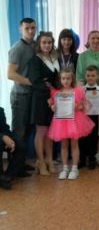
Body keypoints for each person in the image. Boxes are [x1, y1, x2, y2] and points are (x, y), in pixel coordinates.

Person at [48, 67, 94, 180]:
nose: (66, 81)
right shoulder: (56, 92)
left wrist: (78, 107)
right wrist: (53, 107)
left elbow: (85, 105)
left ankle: (74, 168)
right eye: (63, 78)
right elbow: (53, 105)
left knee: (74, 144)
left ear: (72, 78)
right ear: (60, 79)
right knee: (63, 145)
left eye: (68, 78)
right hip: (61, 122)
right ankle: (64, 168)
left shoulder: (77, 91)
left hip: (75, 121)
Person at [28, 32, 60, 176]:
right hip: (40, 99)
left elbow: (55, 80)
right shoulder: (35, 59)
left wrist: (52, 87)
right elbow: (35, 81)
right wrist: (47, 87)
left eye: (49, 42)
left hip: (53, 99)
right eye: (44, 42)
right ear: (39, 44)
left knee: (49, 132)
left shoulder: (54, 58)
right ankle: (40, 162)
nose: (47, 45)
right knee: (41, 131)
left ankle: (49, 160)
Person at [7, 17, 37, 151]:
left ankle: (22, 160)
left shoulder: (36, 45)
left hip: (32, 95)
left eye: (33, 28)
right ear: (20, 30)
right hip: (20, 96)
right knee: (19, 131)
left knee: (29, 129)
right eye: (27, 28)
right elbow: (10, 74)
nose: (30, 31)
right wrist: (31, 82)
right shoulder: (17, 48)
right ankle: (15, 163)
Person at [79, 65, 99, 170]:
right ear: (85, 76)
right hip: (83, 116)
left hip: (94, 116)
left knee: (93, 137)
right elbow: (78, 103)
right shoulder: (81, 90)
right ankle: (82, 159)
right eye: (88, 75)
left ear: (97, 76)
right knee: (82, 138)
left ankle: (92, 159)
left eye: (93, 75)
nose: (90, 78)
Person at [0, 107, 27, 189]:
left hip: (3, 136)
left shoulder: (0, 110)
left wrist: (12, 139)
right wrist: (2, 137)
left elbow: (5, 128)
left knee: (20, 144)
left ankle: (8, 175)